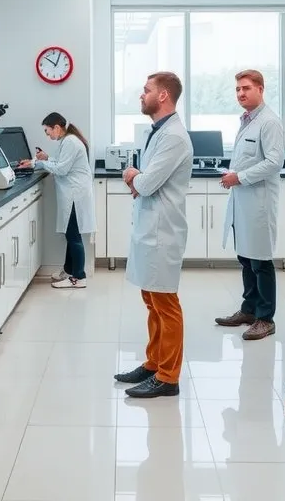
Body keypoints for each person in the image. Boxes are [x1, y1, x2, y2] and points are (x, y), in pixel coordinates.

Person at [113, 71, 193, 399]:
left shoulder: (173, 136)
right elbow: (146, 183)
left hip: (162, 231)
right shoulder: (159, 131)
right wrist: (140, 179)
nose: (141, 95)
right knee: (152, 300)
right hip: (151, 228)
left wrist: (133, 174)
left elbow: (145, 183)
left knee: (165, 302)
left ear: (163, 96)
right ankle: (153, 362)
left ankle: (168, 376)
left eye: (146, 90)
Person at [214, 69, 285, 341]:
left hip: (259, 203)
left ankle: (266, 318)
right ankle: (249, 309)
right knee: (245, 258)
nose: (241, 93)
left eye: (246, 88)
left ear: (260, 89)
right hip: (243, 201)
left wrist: (239, 177)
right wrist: (235, 175)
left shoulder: (269, 122)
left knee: (260, 261)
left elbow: (274, 162)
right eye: (237, 90)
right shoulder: (247, 121)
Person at [18, 112, 95, 289]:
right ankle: (69, 271)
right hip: (74, 194)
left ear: (57, 127)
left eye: (48, 131)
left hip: (75, 196)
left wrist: (37, 163)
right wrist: (46, 159)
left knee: (74, 237)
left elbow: (61, 169)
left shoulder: (70, 142)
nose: (47, 135)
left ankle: (79, 277)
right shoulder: (68, 140)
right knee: (71, 235)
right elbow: (62, 163)